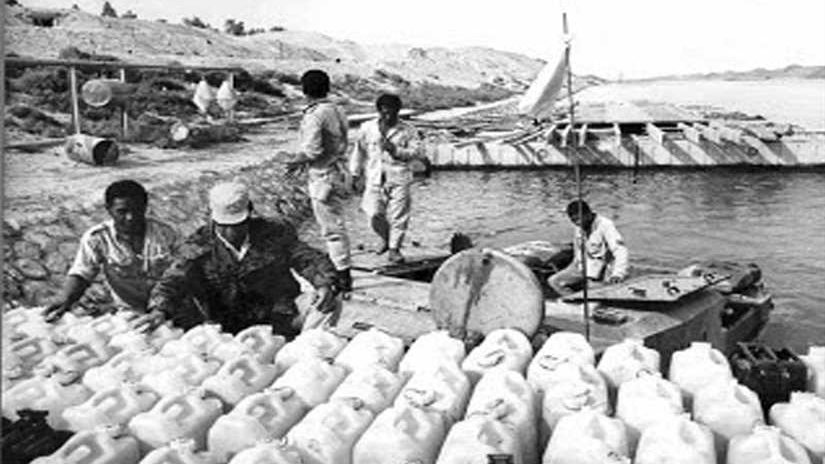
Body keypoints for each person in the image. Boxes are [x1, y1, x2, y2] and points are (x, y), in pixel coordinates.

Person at [133, 182, 339, 338]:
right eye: (224, 225)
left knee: (328, 305)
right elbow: (173, 280)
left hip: (279, 316)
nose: (231, 232)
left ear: (249, 212)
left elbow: (307, 258)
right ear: (212, 217)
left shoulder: (274, 232)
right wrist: (159, 309)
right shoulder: (198, 245)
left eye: (237, 224)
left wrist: (324, 284)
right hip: (226, 325)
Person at [43, 180, 179, 321]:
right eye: (122, 212)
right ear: (108, 209)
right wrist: (65, 299)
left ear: (145, 207)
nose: (130, 217)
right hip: (130, 313)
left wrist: (162, 309)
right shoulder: (97, 238)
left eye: (136, 210)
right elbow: (82, 273)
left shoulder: (166, 233)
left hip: (170, 310)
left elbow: (182, 274)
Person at [285, 69, 353, 293]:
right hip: (338, 172)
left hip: (323, 176)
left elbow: (312, 150)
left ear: (304, 90)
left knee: (331, 229)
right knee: (336, 224)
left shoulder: (315, 114)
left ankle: (342, 276)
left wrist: (295, 162)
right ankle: (342, 271)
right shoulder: (336, 109)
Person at [349, 93, 423, 264]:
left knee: (399, 216)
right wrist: (355, 174)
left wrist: (395, 150)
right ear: (379, 111)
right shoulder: (367, 128)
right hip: (374, 177)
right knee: (373, 213)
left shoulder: (408, 130)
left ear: (398, 111)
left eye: (392, 113)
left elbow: (416, 153)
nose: (388, 116)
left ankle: (394, 249)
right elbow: (358, 152)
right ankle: (386, 237)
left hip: (399, 177)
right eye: (384, 112)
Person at [547, 200, 629, 296]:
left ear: (588, 214)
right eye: (574, 220)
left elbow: (620, 250)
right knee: (553, 281)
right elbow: (577, 252)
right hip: (582, 267)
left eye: (579, 219)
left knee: (592, 288)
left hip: (602, 270)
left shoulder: (605, 225)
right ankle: (574, 299)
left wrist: (618, 274)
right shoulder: (578, 227)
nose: (578, 223)